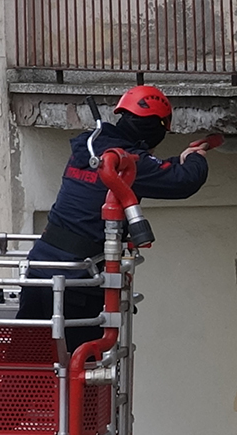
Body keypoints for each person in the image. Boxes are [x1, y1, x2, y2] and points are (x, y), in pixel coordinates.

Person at [16, 85, 209, 351]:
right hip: (77, 282)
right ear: (157, 126)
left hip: (39, 269)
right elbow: (183, 181)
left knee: (26, 363)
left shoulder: (91, 146)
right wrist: (197, 159)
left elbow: (151, 167)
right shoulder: (123, 160)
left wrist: (180, 159)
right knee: (79, 369)